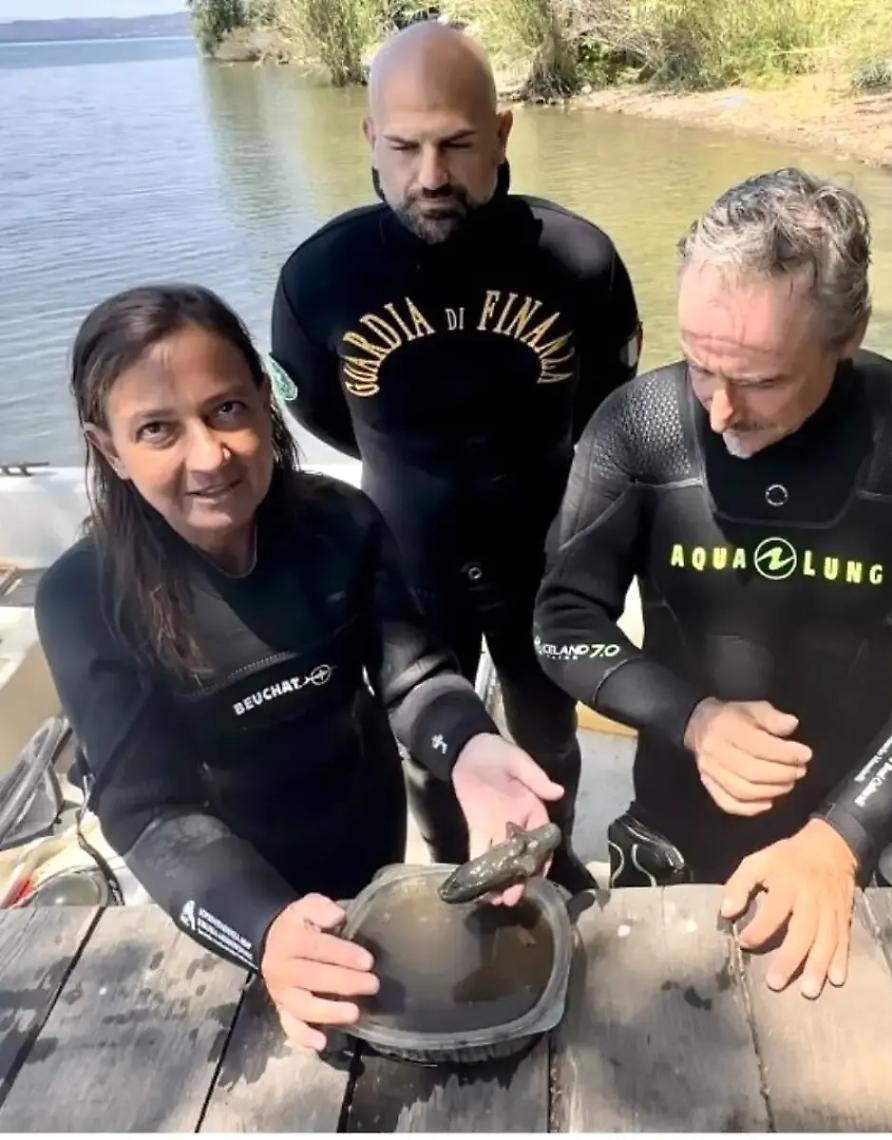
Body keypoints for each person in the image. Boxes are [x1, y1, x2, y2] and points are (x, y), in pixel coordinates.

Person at [35, 284, 564, 1052]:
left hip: (365, 832)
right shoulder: (84, 597)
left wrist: (472, 748)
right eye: (157, 430)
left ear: (263, 400)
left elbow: (413, 678)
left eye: (226, 409)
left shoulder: (339, 521)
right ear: (108, 449)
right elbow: (151, 812)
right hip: (224, 889)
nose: (210, 456)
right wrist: (265, 930)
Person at [534, 169, 892, 998]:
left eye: (760, 381)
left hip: (849, 826)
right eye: (698, 367)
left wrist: (841, 839)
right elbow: (562, 619)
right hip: (672, 826)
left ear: (849, 333)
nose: (721, 413)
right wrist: (692, 719)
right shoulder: (640, 426)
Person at [267, 21, 641, 894]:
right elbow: (314, 408)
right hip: (406, 554)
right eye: (403, 147)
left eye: (456, 144)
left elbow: (607, 404)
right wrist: (410, 464)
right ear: (368, 140)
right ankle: (444, 867)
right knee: (428, 738)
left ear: (503, 133)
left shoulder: (577, 260)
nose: (430, 176)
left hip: (543, 550)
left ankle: (550, 856)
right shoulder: (322, 278)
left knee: (549, 730)